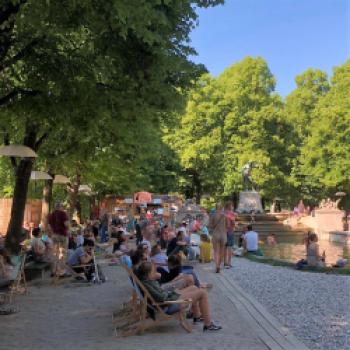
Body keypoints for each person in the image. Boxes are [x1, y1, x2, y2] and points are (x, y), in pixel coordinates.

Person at [135, 262, 221, 331]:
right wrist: (173, 292)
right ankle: (208, 324)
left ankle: (197, 316)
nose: (155, 273)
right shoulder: (148, 283)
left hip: (169, 299)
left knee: (194, 287)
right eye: (153, 271)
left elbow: (160, 294)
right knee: (203, 293)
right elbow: (162, 297)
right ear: (148, 274)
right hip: (169, 304)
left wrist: (173, 292)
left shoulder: (147, 281)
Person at [48, 202, 70, 277]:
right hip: (62, 235)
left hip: (54, 235)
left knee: (55, 254)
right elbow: (66, 224)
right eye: (62, 206)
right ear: (60, 206)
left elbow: (49, 227)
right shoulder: (63, 214)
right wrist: (68, 230)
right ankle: (62, 272)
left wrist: (52, 234)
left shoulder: (51, 215)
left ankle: (54, 271)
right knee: (63, 254)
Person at [208, 203, 227, 273]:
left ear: (215, 208)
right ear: (221, 208)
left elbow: (210, 226)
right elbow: (227, 226)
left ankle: (217, 265)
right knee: (222, 251)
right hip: (223, 234)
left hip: (216, 234)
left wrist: (213, 226)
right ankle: (219, 264)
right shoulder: (224, 216)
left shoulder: (212, 215)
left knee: (216, 251)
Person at [224, 202, 235, 268]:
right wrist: (234, 226)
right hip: (230, 231)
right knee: (230, 247)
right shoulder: (231, 213)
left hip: (223, 232)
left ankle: (224, 262)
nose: (233, 207)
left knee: (224, 247)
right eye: (232, 206)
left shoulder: (223, 213)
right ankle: (229, 263)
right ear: (230, 206)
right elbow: (233, 222)